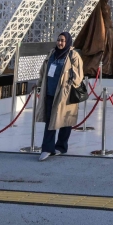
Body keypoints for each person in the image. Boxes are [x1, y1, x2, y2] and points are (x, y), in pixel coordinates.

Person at [36, 31, 84, 161]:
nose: (60, 43)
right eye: (59, 40)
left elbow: (79, 77)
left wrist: (71, 74)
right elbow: (43, 71)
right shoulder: (52, 53)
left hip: (65, 95)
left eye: (63, 40)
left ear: (67, 42)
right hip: (50, 92)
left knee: (65, 121)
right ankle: (47, 148)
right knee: (50, 120)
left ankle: (61, 146)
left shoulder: (73, 55)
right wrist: (39, 84)